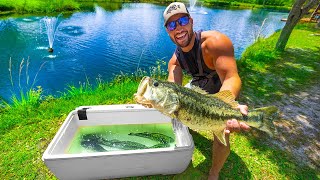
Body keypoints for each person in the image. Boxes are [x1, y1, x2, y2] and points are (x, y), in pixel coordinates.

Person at [163, 2, 251, 179]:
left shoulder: (215, 43)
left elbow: (231, 78)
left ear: (191, 21)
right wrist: (157, 100)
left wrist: (226, 105)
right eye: (172, 24)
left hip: (222, 89)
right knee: (178, 115)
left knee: (222, 132)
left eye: (182, 20)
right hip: (200, 87)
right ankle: (188, 134)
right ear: (168, 31)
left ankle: (214, 172)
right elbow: (173, 90)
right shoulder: (175, 60)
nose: (178, 28)